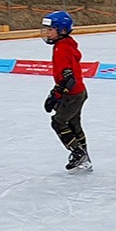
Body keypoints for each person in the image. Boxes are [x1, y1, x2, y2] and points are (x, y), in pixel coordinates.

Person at [41, 9, 92, 170]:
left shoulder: (61, 48)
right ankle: (84, 157)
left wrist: (55, 95)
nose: (47, 33)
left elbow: (67, 78)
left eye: (50, 30)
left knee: (58, 122)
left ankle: (78, 153)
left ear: (62, 30)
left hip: (72, 94)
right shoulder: (66, 44)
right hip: (79, 92)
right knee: (74, 124)